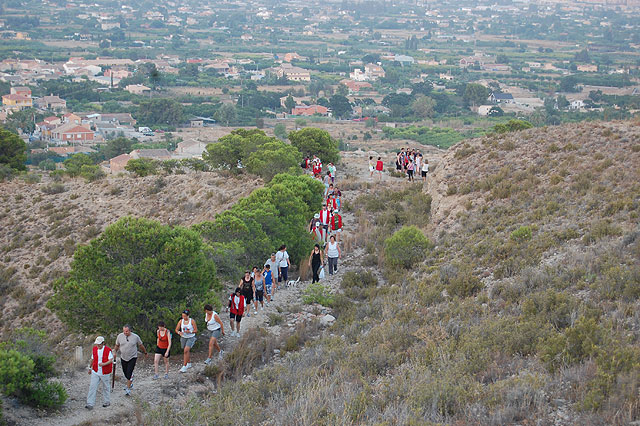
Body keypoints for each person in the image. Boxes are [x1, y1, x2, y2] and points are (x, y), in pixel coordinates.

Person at [114, 325, 147, 396]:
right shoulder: (120, 336)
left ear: (130, 330)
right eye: (124, 331)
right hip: (123, 357)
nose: (125, 332)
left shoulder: (135, 337)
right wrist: (114, 352)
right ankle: (130, 381)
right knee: (125, 372)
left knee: (129, 372)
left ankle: (128, 389)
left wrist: (145, 352)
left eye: (126, 331)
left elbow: (141, 345)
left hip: (132, 357)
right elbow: (117, 345)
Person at [86, 336, 113, 410]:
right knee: (92, 386)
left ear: (103, 343)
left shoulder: (108, 350)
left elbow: (110, 360)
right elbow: (92, 359)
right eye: (97, 344)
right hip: (95, 370)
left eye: (99, 344)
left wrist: (103, 364)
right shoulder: (94, 349)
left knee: (106, 386)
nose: (98, 346)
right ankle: (90, 403)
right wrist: (90, 367)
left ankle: (106, 401)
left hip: (105, 372)